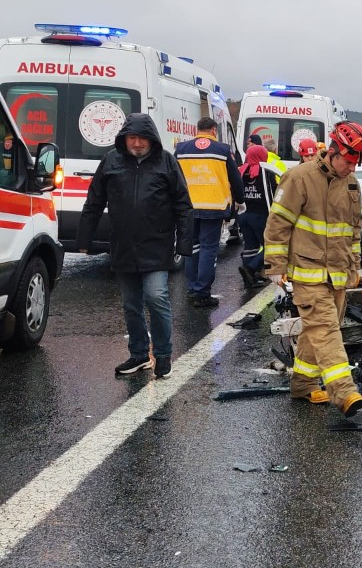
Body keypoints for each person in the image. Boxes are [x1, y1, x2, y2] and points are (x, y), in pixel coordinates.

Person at [264, 121, 362, 416]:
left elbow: (355, 231)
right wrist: (275, 264)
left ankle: (302, 384)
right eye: (349, 161)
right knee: (326, 331)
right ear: (333, 151)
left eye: (356, 163)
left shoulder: (351, 185)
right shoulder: (299, 178)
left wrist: (355, 267)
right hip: (307, 275)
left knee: (318, 332)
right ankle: (345, 392)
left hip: (337, 276)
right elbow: (278, 223)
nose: (353, 168)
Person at [77, 114, 193, 379]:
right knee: (131, 304)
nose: (137, 143)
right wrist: (84, 239)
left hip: (157, 245)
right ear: (124, 139)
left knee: (156, 297)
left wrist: (184, 243)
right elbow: (94, 200)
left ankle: (162, 354)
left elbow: (183, 205)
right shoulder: (111, 161)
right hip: (123, 245)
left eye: (142, 138)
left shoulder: (166, 162)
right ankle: (139, 354)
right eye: (132, 138)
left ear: (151, 139)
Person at [175, 117, 245, 308]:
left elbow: (173, 177)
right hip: (214, 207)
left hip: (188, 207)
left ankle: (192, 288)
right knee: (208, 249)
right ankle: (202, 293)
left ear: (197, 130)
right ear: (214, 130)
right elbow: (235, 178)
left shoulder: (181, 149)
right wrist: (240, 199)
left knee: (192, 247)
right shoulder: (222, 150)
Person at [237, 143, 276, 287]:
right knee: (271, 246)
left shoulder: (241, 170)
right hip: (260, 216)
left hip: (243, 214)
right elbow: (273, 194)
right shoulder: (265, 171)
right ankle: (250, 268)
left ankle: (249, 278)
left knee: (250, 247)